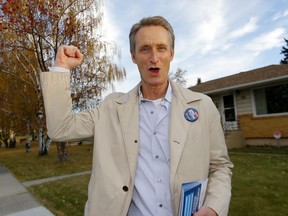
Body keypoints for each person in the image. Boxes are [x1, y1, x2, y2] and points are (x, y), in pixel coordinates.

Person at [41, 16, 233, 216]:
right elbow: (60, 128)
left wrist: (214, 207)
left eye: (161, 48)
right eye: (145, 49)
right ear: (133, 56)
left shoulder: (202, 106)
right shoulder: (111, 109)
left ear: (172, 53)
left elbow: (220, 166)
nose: (154, 58)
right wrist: (61, 68)